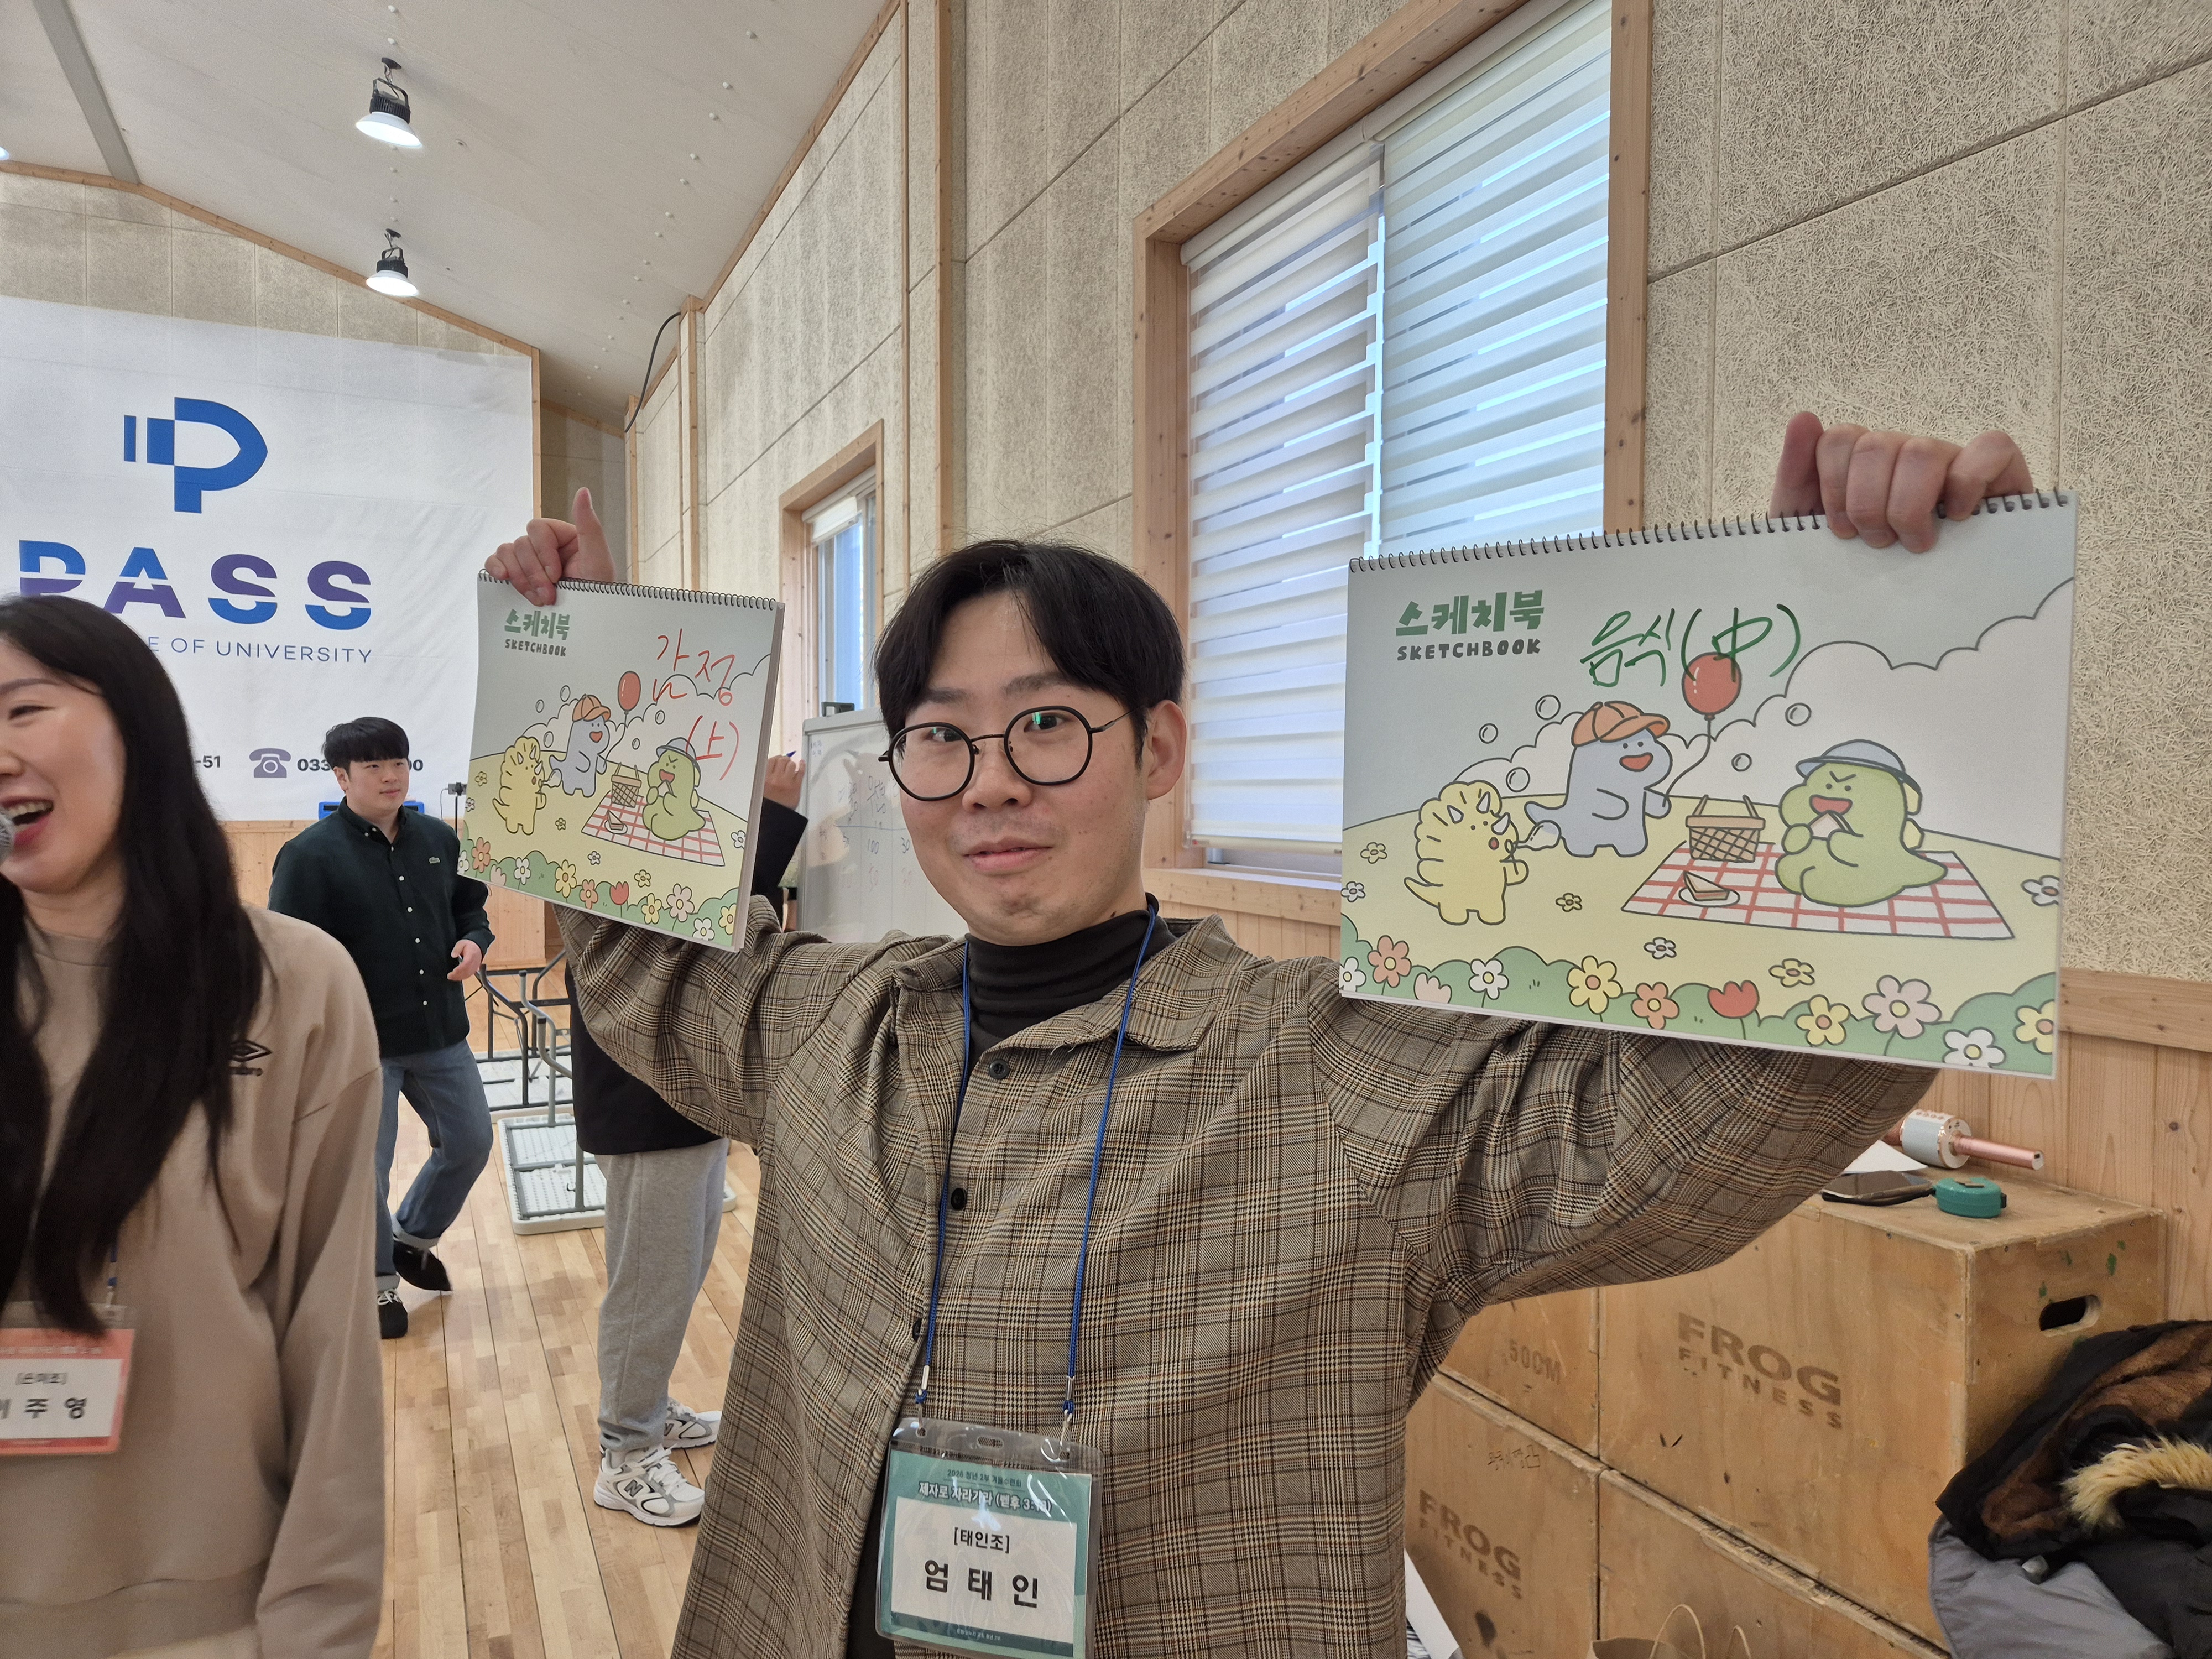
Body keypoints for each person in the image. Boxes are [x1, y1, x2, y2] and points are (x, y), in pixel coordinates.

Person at [486, 426, 2036, 1658]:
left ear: (1159, 745)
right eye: (940, 736)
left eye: (1047, 724)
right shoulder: (830, 1024)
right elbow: (634, 961)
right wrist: (601, 659)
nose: (990, 781)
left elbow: (1735, 1113)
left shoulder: (1339, 1072)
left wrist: (1863, 624)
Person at [0, 597, 384, 1658]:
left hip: (214, 1617)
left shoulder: (292, 985)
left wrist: (317, 1626)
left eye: (23, 710)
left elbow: (330, 1339)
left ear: (141, 731)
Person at [579, 754, 808, 1527]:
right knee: (651, 1280)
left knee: (680, 1267)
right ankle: (627, 1452)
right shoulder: (606, 843)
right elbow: (707, 920)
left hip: (691, 1087)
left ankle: (647, 1410)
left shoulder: (655, 827)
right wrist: (773, 814)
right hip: (645, 1096)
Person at [268, 717, 495, 1340]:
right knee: (366, 1169)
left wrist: (475, 941)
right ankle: (375, 1285)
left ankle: (411, 1238)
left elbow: (470, 909)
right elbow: (291, 955)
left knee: (472, 1142)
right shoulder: (308, 856)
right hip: (359, 1045)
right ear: (342, 778)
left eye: (399, 762)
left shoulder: (439, 839)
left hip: (441, 1030)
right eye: (373, 766)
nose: (392, 776)